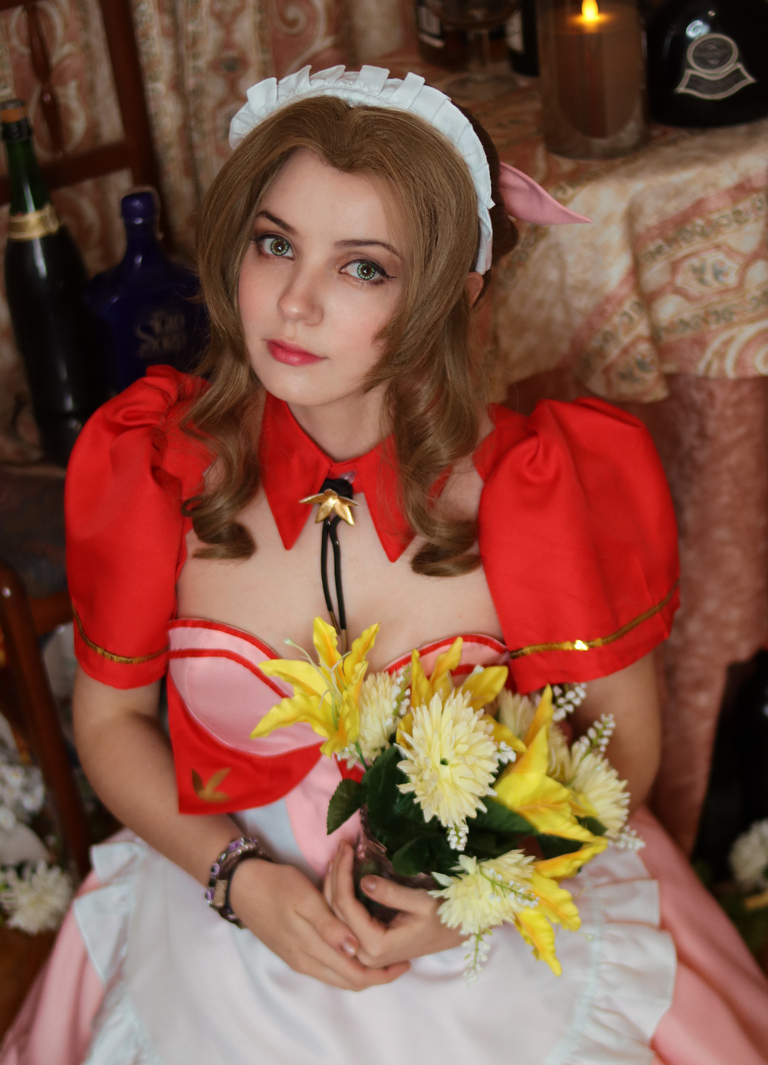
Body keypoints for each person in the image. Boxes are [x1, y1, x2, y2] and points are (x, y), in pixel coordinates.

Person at [3, 65, 768, 1065]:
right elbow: (107, 722)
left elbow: (620, 761)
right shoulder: (151, 466)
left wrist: (469, 903)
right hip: (227, 904)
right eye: (275, 244)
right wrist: (238, 880)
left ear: (451, 295)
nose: (297, 301)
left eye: (363, 266)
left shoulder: (536, 488)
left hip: (494, 926)